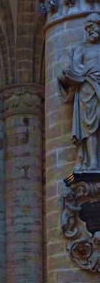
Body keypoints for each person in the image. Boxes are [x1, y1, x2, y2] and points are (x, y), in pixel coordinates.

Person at [58, 13, 100, 171]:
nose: (90, 30)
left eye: (93, 26)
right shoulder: (80, 48)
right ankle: (93, 161)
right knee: (89, 128)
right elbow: (75, 70)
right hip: (87, 91)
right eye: (88, 28)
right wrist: (65, 76)